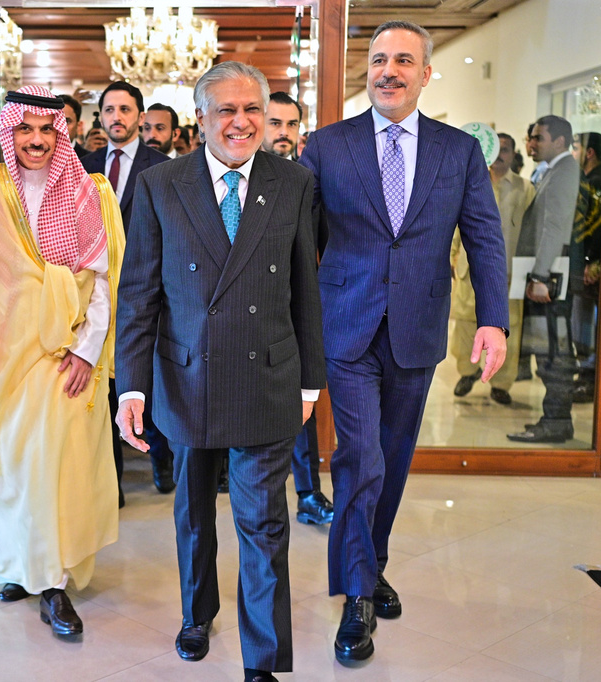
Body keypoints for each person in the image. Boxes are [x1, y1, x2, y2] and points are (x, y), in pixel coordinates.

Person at [299, 21, 508, 664]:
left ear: (425, 73)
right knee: (359, 458)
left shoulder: (458, 151)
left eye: (403, 61)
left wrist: (493, 319)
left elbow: (484, 236)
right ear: (369, 69)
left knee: (392, 458)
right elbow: (300, 239)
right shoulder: (328, 146)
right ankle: (357, 597)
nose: (388, 71)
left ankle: (371, 559)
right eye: (379, 59)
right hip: (347, 321)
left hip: (418, 327)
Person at [115, 61, 326, 682]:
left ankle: (262, 660)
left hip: (267, 373)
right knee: (193, 513)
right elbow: (139, 294)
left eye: (252, 110)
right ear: (200, 119)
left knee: (263, 521)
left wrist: (311, 380)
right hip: (186, 377)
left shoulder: (294, 182)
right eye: (226, 111)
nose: (241, 122)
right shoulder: (162, 184)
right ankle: (196, 612)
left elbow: (305, 291)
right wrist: (132, 384)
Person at [0, 85, 122, 638]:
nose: (36, 141)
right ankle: (19, 564)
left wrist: (89, 350)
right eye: (25, 130)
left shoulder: (88, 193)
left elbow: (103, 284)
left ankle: (54, 581)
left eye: (47, 130)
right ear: (8, 132)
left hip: (62, 355)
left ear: (60, 134)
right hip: (0, 357)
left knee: (54, 469)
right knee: (7, 469)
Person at [81, 82, 173, 503]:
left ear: (139, 116)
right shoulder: (82, 165)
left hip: (147, 284)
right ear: (100, 116)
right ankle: (111, 483)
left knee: (143, 379)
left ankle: (159, 457)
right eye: (109, 109)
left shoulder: (164, 166)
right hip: (95, 289)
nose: (117, 116)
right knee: (101, 389)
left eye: (125, 109)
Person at [261, 91, 332, 525]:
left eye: (291, 124)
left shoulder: (308, 182)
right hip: (243, 312)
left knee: (302, 401)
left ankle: (307, 493)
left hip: (294, 309)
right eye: (275, 123)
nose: (283, 133)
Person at [507, 115, 581, 443]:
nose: (532, 144)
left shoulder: (565, 172)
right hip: (546, 277)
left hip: (550, 280)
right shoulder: (551, 171)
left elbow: (555, 226)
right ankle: (553, 417)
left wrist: (539, 275)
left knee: (554, 351)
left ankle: (556, 421)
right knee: (547, 349)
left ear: (560, 142)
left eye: (539, 138)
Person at [451, 132, 534, 406]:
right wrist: (451, 256)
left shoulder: (525, 188)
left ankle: (501, 384)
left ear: (513, 154)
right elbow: (454, 225)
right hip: (467, 270)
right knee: (464, 324)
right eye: (496, 149)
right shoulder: (471, 180)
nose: (500, 155)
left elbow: (532, 231)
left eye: (506, 150)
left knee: (508, 327)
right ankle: (468, 371)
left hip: (508, 273)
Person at [570, 132, 601, 403]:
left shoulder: (600, 181)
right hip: (585, 262)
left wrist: (593, 261)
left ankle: (592, 378)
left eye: (576, 146)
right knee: (581, 322)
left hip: (594, 265)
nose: (574, 151)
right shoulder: (585, 179)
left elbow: (600, 227)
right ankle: (586, 374)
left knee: (591, 325)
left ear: (589, 152)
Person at [262, 91, 302, 160]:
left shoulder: (307, 170)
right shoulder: (242, 169)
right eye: (275, 123)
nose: (284, 132)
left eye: (291, 124)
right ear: (260, 126)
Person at [60, 93, 89, 159]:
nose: (60, 126)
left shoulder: (90, 160)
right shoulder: (37, 159)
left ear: (78, 126)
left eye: (67, 121)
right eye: (56, 121)